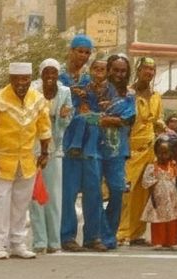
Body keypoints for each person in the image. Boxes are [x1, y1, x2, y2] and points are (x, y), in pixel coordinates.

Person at [0, 62, 52, 260]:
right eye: (18, 79)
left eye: (26, 79)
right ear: (10, 79)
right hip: (1, 159)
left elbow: (44, 128)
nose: (22, 83)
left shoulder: (37, 99)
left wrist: (45, 153)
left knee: (21, 202)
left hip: (27, 160)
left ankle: (17, 243)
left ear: (30, 79)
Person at [59, 35, 102, 251]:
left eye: (87, 52)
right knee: (68, 192)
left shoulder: (91, 80)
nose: (83, 56)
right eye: (80, 51)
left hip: (91, 142)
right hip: (67, 142)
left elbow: (99, 111)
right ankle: (67, 236)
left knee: (93, 190)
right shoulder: (59, 78)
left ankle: (92, 236)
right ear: (71, 51)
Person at [117, 56, 164, 246]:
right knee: (125, 192)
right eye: (145, 68)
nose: (149, 73)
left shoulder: (156, 96)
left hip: (149, 149)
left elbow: (157, 120)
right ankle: (121, 232)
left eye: (152, 70)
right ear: (138, 70)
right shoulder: (129, 94)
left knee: (143, 193)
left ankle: (137, 233)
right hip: (131, 148)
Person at [31, 59, 71, 254]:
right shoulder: (33, 91)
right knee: (36, 195)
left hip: (55, 147)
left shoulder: (65, 92)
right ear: (41, 73)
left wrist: (64, 117)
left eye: (53, 73)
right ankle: (39, 240)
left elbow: (67, 119)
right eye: (46, 72)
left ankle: (54, 242)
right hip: (34, 146)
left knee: (54, 196)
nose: (50, 76)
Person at [97, 55, 137, 251]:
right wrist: (112, 119)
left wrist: (108, 119)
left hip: (117, 149)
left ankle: (109, 235)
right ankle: (99, 234)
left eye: (123, 71)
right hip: (95, 147)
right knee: (94, 192)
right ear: (108, 70)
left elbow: (129, 119)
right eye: (116, 70)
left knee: (117, 191)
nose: (119, 74)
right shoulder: (97, 90)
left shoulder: (129, 95)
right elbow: (91, 117)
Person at [140, 134, 177, 249]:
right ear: (156, 153)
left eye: (166, 153)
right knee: (157, 219)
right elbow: (146, 182)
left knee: (172, 219)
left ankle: (172, 241)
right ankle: (158, 240)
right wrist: (152, 196)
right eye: (160, 153)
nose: (163, 156)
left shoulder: (174, 166)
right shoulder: (152, 167)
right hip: (158, 197)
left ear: (171, 153)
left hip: (171, 197)